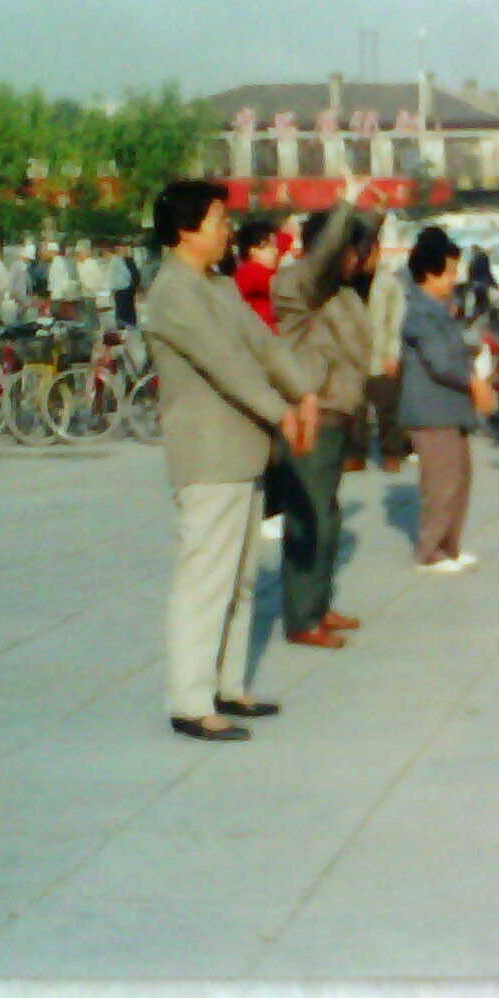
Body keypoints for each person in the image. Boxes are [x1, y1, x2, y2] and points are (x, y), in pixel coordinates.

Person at [144, 179, 320, 743]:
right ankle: (190, 702)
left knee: (239, 580)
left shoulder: (217, 286)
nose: (228, 230)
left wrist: (303, 390)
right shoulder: (173, 293)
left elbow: (263, 346)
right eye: (219, 220)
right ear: (186, 229)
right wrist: (280, 412)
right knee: (205, 580)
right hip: (208, 454)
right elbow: (226, 364)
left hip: (241, 452)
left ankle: (226, 685)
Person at [271, 195, 374, 647]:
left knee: (326, 518)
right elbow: (326, 255)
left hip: (338, 414)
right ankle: (302, 618)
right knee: (309, 518)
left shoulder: (341, 293)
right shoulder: (301, 287)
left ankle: (318, 604)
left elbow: (356, 249)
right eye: (349, 251)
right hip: (312, 415)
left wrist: (373, 214)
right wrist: (346, 207)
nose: (357, 259)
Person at [400, 229, 496, 572]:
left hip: (449, 409)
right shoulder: (421, 313)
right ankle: (429, 552)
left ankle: (449, 545)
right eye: (450, 272)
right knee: (441, 483)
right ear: (430, 273)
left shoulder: (438, 309)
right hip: (431, 410)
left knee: (459, 479)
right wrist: (474, 383)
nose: (455, 279)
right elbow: (440, 361)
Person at [360, 242, 410, 472]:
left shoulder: (389, 283)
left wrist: (393, 353)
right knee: (355, 409)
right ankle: (355, 453)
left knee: (388, 407)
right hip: (356, 356)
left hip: (382, 354)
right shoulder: (348, 283)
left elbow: (397, 320)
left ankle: (392, 452)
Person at [233, 218, 281, 332]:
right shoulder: (249, 271)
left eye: (275, 246)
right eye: (268, 246)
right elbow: (277, 284)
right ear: (252, 250)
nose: (275, 251)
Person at [110, 242, 141, 328]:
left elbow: (134, 273)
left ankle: (130, 322)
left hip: (129, 288)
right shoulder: (115, 260)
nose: (125, 250)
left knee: (129, 307)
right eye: (123, 248)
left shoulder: (128, 260)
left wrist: (135, 285)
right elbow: (114, 276)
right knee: (122, 307)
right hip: (120, 289)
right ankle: (123, 323)